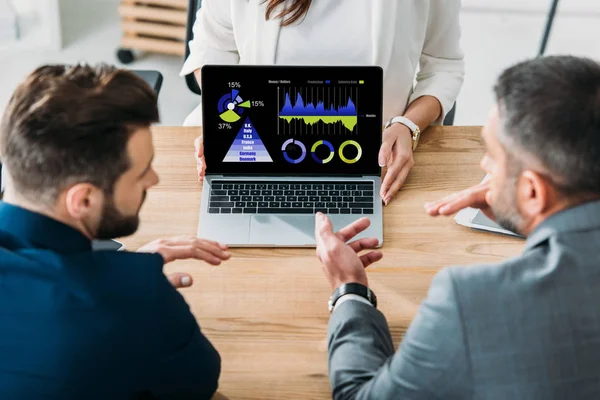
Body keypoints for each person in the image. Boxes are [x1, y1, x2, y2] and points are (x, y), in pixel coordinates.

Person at [314, 55, 600, 399]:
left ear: (533, 191)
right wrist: (528, 215)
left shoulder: (471, 301)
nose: (483, 165)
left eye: (493, 156)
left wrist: (350, 290)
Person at [0, 64, 231, 399]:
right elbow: (200, 383)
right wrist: (133, 290)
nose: (154, 179)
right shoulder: (135, 299)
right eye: (142, 172)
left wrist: (118, 276)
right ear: (84, 199)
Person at [181, 0, 465, 204]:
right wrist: (226, 120)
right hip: (258, 155)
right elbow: (212, 50)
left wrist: (407, 125)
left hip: (375, 163)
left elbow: (443, 65)